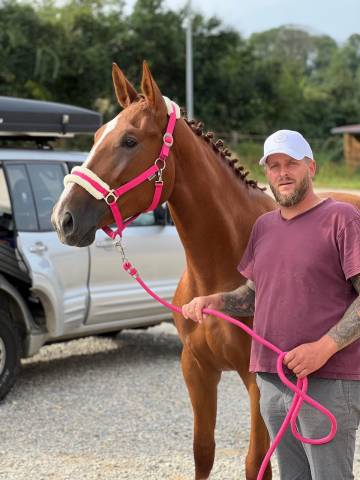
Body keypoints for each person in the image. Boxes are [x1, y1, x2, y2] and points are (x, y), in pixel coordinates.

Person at [182, 129, 360, 480]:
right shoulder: (265, 227)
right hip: (272, 379)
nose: (282, 173)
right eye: (274, 166)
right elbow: (253, 293)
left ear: (311, 167)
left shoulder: (342, 219)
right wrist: (211, 300)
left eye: (291, 164)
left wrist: (324, 348)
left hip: (326, 380)